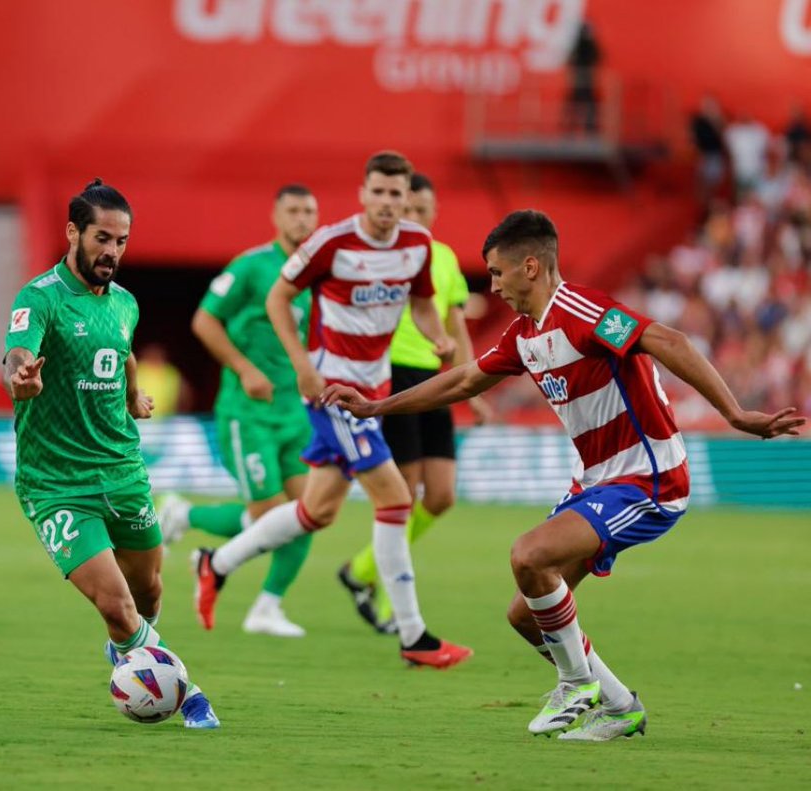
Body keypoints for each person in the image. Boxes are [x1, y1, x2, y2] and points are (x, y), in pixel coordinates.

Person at [323, 209, 805, 740]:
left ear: (530, 266)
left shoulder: (582, 310)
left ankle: (577, 684)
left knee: (528, 554)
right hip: (597, 481)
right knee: (527, 614)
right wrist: (374, 408)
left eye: (497, 273)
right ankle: (620, 706)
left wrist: (735, 415)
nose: (493, 285)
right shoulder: (524, 334)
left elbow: (670, 341)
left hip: (649, 479)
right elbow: (461, 382)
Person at [193, 151, 473, 669]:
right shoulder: (332, 243)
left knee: (315, 511)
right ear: (363, 194)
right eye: (381, 193)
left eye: (399, 195)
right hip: (334, 393)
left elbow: (420, 302)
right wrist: (303, 365)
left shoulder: (417, 245)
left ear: (407, 199)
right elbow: (280, 298)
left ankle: (217, 563)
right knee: (394, 498)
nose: (390, 203)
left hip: (374, 394)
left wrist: (438, 338)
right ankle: (414, 636)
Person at [3, 179, 219, 729]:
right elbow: (18, 356)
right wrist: (21, 378)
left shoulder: (125, 303)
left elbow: (119, 352)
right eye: (103, 238)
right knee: (117, 606)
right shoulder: (40, 297)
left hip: (123, 471)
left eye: (122, 241)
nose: (113, 252)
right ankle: (186, 690)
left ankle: (128, 645)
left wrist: (131, 393)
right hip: (57, 484)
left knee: (148, 589)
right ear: (73, 231)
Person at [161, 184, 320, 638]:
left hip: (295, 413)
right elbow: (203, 320)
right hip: (246, 412)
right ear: (276, 216)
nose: (302, 219)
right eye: (293, 210)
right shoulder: (252, 267)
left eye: (309, 211)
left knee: (307, 512)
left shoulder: (313, 274)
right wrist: (245, 368)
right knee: (271, 513)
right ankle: (186, 516)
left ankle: (267, 607)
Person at [338, 173, 492, 634]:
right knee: (401, 497)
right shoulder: (380, 258)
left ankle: (361, 570)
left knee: (441, 495)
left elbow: (455, 324)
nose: (416, 218)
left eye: (424, 211)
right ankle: (390, 603)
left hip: (434, 377)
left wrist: (472, 383)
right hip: (391, 375)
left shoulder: (441, 259)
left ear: (434, 212)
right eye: (411, 210)